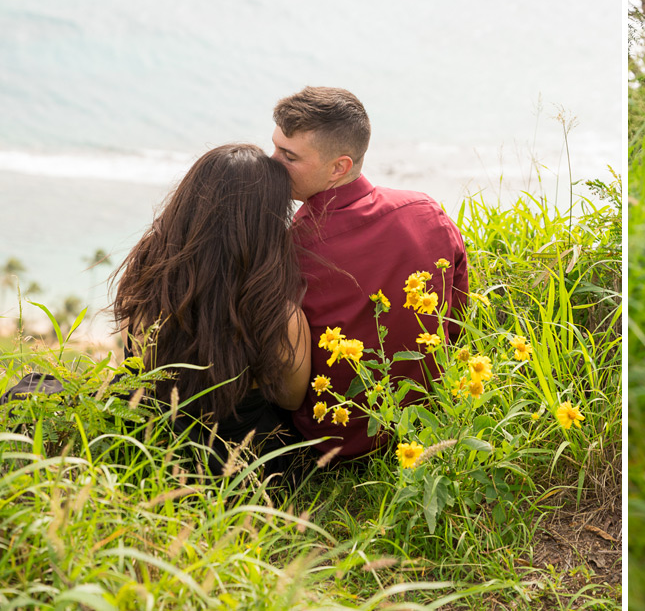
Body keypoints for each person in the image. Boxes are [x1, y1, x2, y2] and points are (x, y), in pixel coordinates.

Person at [270, 86, 469, 461]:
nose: (272, 161)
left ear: (339, 167)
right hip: (426, 423)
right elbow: (455, 322)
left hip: (329, 441)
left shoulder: (289, 250)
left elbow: (282, 372)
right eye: (275, 147)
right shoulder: (427, 212)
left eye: (288, 155)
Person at [111, 144, 311, 465]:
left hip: (144, 450)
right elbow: (291, 400)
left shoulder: (142, 282)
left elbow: (134, 358)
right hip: (243, 469)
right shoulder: (281, 317)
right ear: (267, 225)